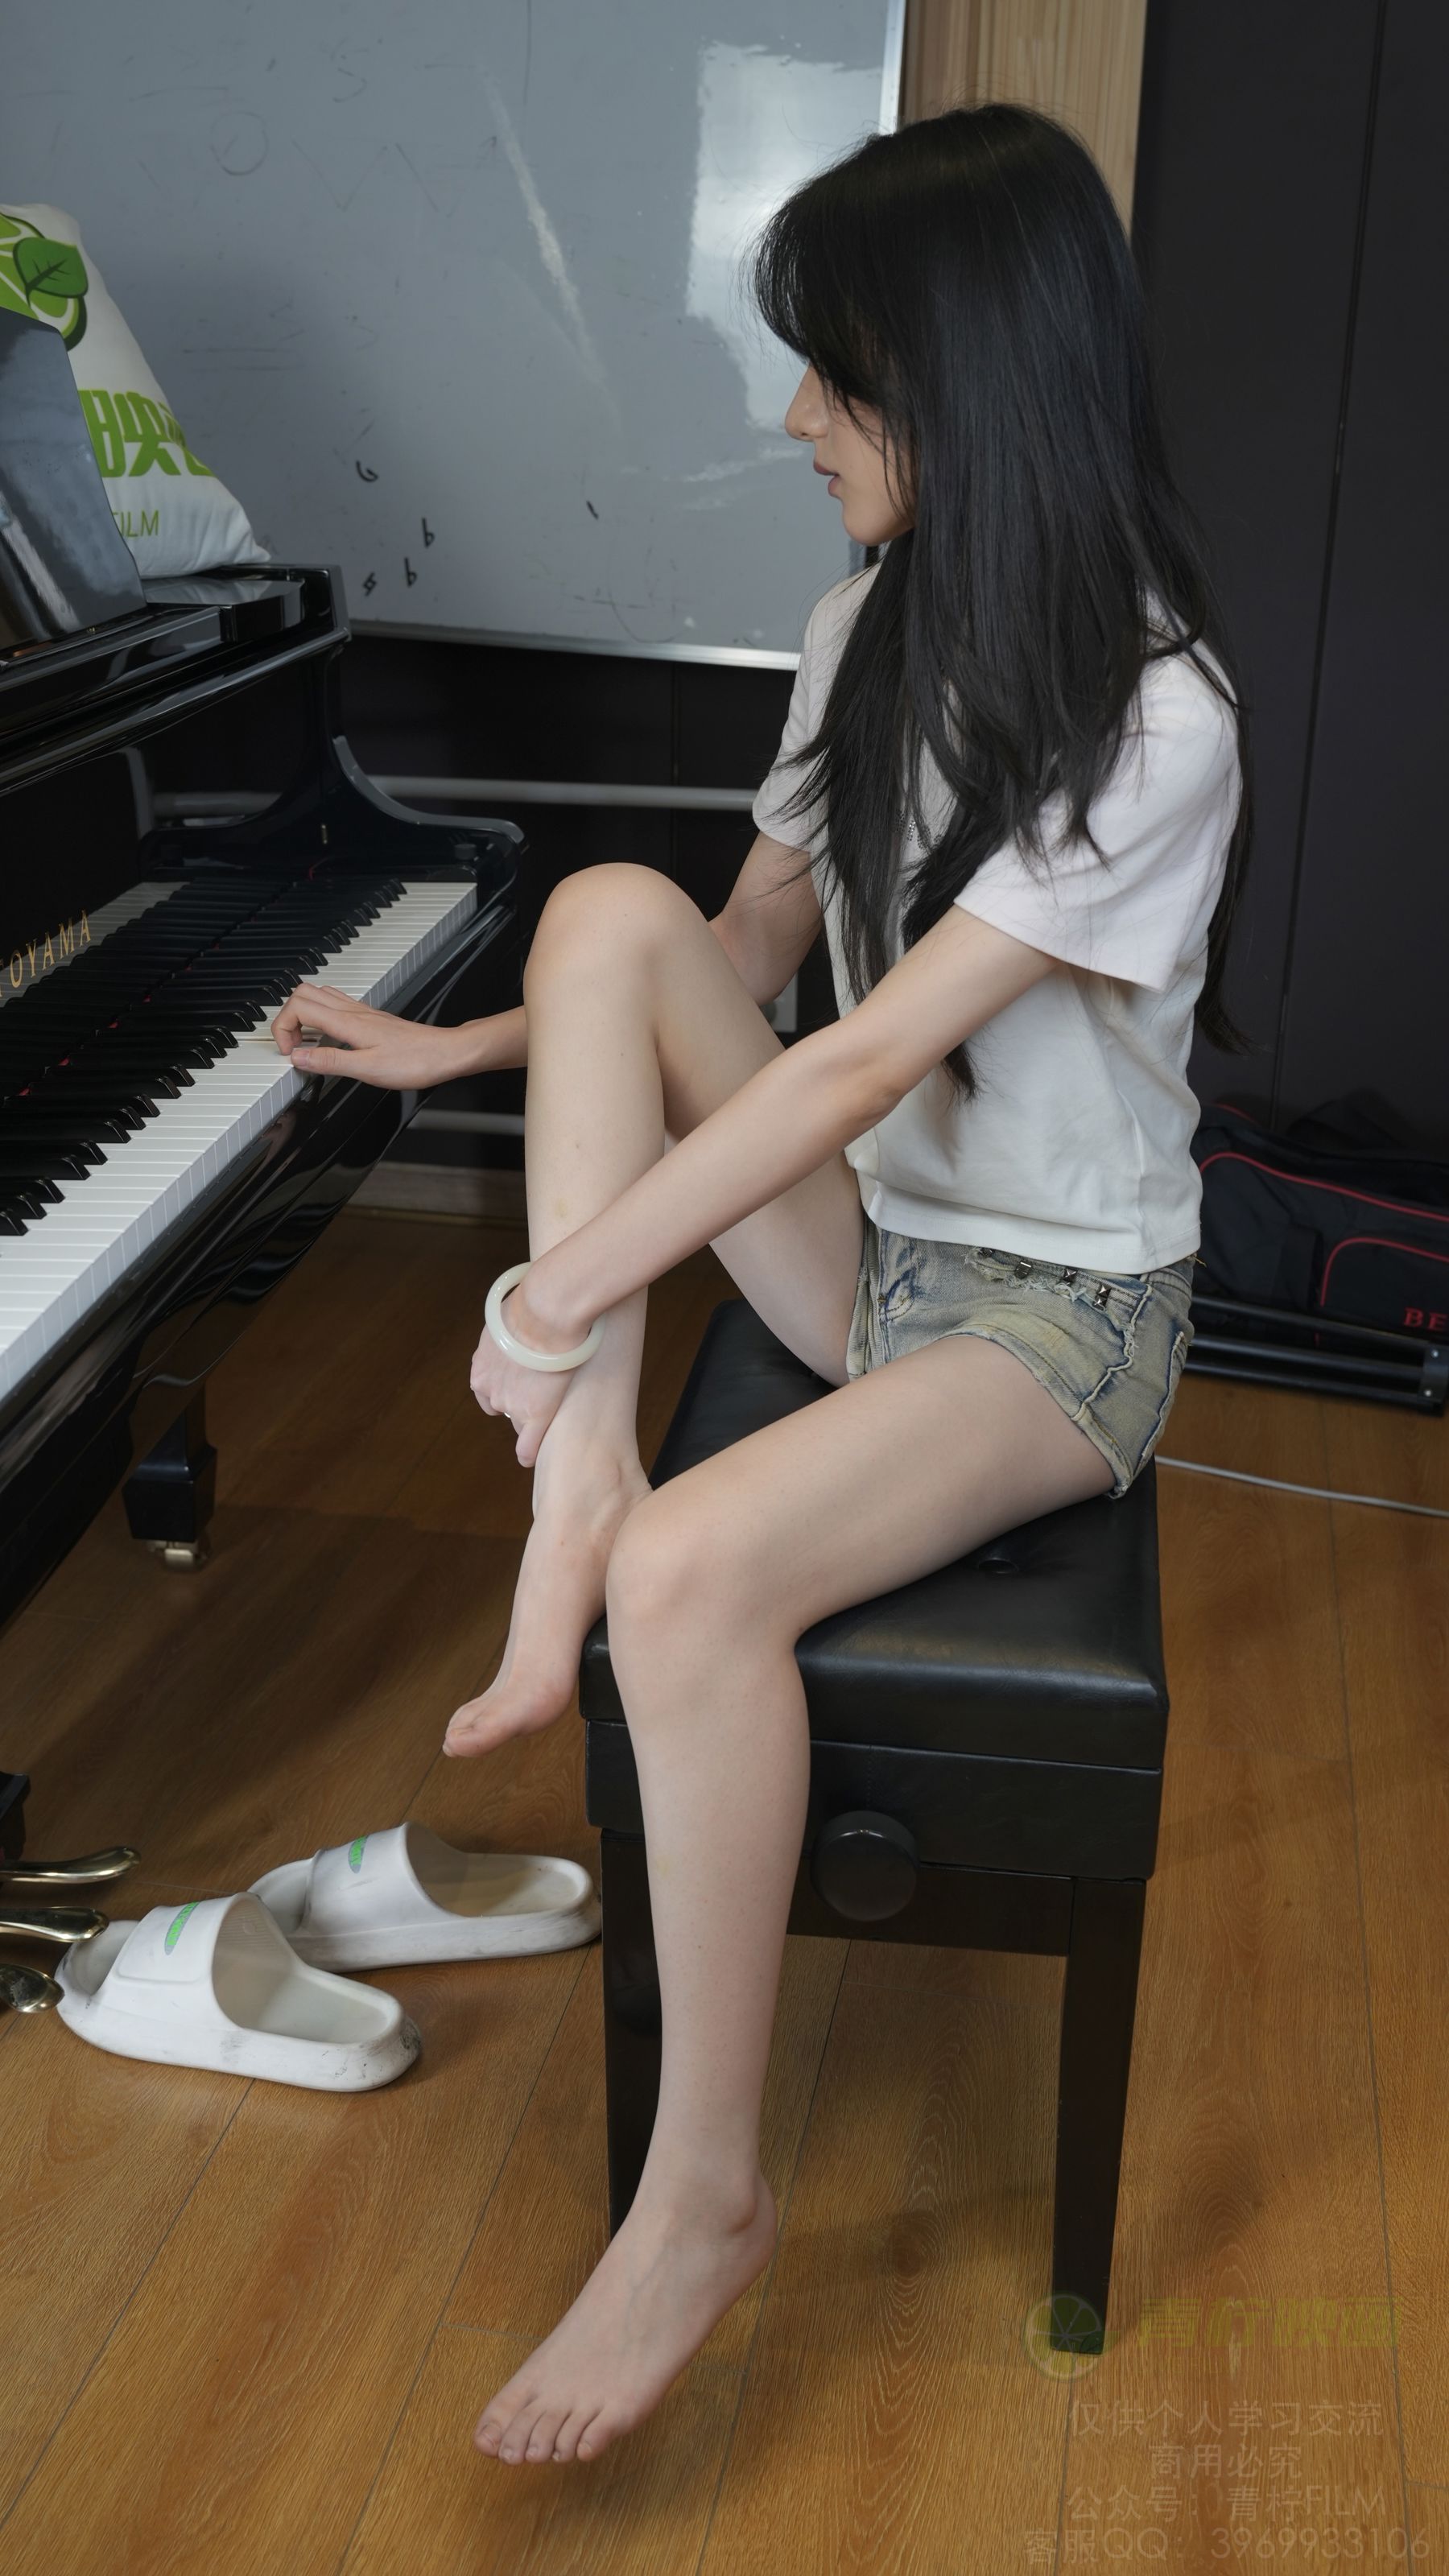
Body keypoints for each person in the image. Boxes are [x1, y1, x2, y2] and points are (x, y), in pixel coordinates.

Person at [271, 104, 1250, 2467]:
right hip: (881, 1258)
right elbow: (734, 959)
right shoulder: (859, 633)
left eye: (833, 372)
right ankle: (577, 1482)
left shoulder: (1157, 715)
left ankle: (704, 2194)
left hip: (1056, 1328)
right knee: (608, 903)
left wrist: (545, 1290)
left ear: (967, 380)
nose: (794, 415)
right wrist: (483, 1038)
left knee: (697, 1580)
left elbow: (867, 1059)